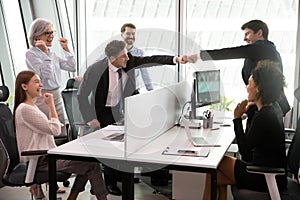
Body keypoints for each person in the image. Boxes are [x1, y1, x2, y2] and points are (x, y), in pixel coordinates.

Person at [77, 40, 186, 195]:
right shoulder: (95, 70)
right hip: (101, 111)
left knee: (131, 139)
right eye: (124, 56)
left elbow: (151, 60)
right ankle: (110, 182)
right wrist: (90, 118)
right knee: (110, 147)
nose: (127, 58)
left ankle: (126, 174)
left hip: (120, 108)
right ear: (112, 58)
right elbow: (81, 95)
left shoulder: (129, 61)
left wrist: (175, 59)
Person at [13, 70, 108, 200]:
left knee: (90, 162)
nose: (41, 85)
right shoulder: (25, 109)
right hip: (41, 161)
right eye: (36, 82)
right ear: (24, 87)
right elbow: (55, 130)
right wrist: (51, 105)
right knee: (91, 164)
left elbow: (49, 131)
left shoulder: (30, 107)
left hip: (46, 157)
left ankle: (73, 197)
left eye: (40, 81)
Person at [202, 60, 287, 200]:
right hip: (273, 173)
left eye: (249, 84)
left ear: (258, 89)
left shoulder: (264, 116)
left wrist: (236, 118)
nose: (247, 87)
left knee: (215, 162)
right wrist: (252, 107)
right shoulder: (273, 108)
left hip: (263, 176)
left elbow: (245, 151)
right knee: (215, 177)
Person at [185, 19, 290, 117]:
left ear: (259, 33)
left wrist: (198, 56)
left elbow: (230, 53)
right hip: (267, 106)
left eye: (247, 34)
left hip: (269, 108)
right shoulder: (262, 50)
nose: (244, 38)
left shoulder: (262, 47)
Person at [25, 18, 76, 136]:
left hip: (56, 94)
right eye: (47, 33)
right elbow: (45, 76)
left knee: (61, 129)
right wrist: (45, 54)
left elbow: (72, 67)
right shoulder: (31, 54)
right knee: (50, 130)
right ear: (37, 35)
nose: (51, 36)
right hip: (43, 96)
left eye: (52, 32)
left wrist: (66, 49)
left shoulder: (51, 54)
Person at [121, 23, 154, 91]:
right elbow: (98, 65)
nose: (131, 36)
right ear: (122, 35)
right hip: (118, 92)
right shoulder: (114, 50)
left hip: (134, 90)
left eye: (133, 33)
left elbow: (145, 74)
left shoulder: (139, 53)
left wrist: (151, 91)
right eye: (128, 33)